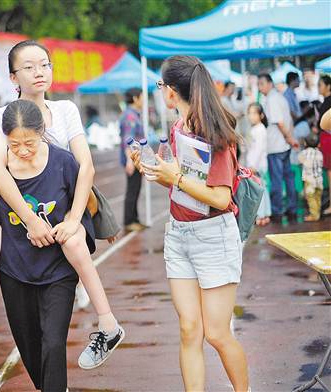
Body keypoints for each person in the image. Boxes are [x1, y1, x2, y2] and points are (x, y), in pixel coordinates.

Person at [0, 40, 121, 387]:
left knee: (76, 247)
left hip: (62, 211)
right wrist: (31, 220)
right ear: (13, 76)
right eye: (30, 67)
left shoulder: (65, 110)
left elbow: (84, 168)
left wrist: (76, 217)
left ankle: (108, 324)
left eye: (45, 65)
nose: (39, 72)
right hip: (14, 214)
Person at [132, 55, 249, 392]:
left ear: (170, 92)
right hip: (179, 234)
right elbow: (179, 184)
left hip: (214, 237)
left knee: (216, 333)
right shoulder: (178, 128)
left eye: (159, 86)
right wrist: (154, 170)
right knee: (188, 329)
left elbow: (221, 197)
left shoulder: (214, 131)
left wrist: (176, 177)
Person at [258, 73, 299, 223]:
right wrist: (290, 139)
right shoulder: (279, 97)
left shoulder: (272, 99)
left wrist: (289, 138)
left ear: (269, 83)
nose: (259, 87)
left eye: (261, 84)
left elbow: (280, 122)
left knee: (277, 179)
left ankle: (277, 211)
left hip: (277, 146)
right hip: (283, 145)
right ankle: (292, 208)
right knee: (288, 178)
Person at [119, 88, 146, 232]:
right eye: (142, 97)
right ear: (135, 98)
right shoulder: (130, 116)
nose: (143, 100)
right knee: (132, 189)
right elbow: (127, 140)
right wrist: (130, 161)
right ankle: (129, 221)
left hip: (137, 158)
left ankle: (135, 219)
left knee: (135, 189)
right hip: (133, 159)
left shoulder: (134, 115)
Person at [245, 103, 272, 226]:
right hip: (255, 164)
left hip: (258, 165)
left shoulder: (260, 129)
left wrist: (253, 165)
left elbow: (259, 149)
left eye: (254, 113)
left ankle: (261, 215)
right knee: (262, 190)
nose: (251, 116)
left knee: (258, 190)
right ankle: (265, 214)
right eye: (250, 113)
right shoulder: (255, 129)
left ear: (261, 115)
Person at [298, 133, 324, 222]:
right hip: (319, 180)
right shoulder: (320, 153)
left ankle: (314, 215)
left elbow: (300, 160)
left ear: (305, 143)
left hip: (309, 180)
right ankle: (317, 212)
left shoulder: (304, 153)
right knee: (318, 197)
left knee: (311, 198)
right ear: (318, 144)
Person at [315, 75, 331, 216]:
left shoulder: (328, 101)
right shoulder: (325, 101)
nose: (318, 88)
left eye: (320, 85)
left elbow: (322, 123)